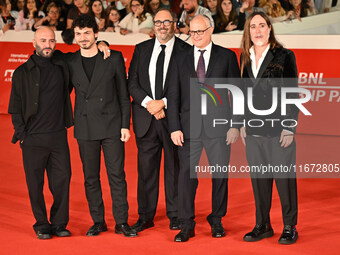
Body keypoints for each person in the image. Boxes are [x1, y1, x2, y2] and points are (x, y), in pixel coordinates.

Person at [167, 14, 241, 242]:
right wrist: (174, 127)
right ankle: (186, 223)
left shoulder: (227, 56)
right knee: (186, 176)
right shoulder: (179, 58)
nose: (195, 36)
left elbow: (237, 93)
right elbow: (173, 94)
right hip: (188, 128)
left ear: (211, 30)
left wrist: (235, 125)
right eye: (192, 32)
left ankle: (217, 219)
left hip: (219, 128)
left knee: (220, 175)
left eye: (200, 31)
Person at [65, 14, 136, 237]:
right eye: (78, 34)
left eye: (87, 33)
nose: (83, 38)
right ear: (74, 36)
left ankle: (122, 222)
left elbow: (124, 95)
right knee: (90, 177)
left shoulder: (113, 57)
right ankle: (98, 221)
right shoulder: (70, 61)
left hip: (113, 125)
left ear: (96, 34)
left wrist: (126, 125)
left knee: (117, 175)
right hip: (85, 128)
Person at [128, 8, 190, 233]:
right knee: (146, 170)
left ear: (175, 24)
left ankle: (175, 214)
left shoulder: (186, 50)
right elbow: (132, 83)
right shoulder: (141, 49)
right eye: (158, 22)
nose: (162, 26)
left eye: (167, 22)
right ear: (153, 25)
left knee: (174, 168)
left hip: (173, 120)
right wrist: (149, 104)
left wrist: (163, 102)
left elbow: (187, 87)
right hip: (146, 118)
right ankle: (145, 215)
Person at [8, 26, 73, 240]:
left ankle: (59, 223)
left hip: (58, 136)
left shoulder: (62, 64)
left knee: (62, 180)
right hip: (33, 138)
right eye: (43, 41)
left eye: (52, 41)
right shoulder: (21, 73)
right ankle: (42, 223)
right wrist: (23, 135)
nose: (48, 45)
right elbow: (15, 108)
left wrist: (103, 44)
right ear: (34, 43)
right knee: (35, 184)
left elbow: (82, 53)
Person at [239, 12, 299, 245]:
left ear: (269, 28)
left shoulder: (284, 56)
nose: (257, 30)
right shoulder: (244, 56)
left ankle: (289, 226)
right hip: (253, 130)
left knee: (284, 180)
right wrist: (242, 123)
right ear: (248, 31)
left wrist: (289, 127)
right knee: (259, 180)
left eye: (262, 25)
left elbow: (292, 93)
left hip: (278, 130)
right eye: (253, 26)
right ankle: (262, 225)